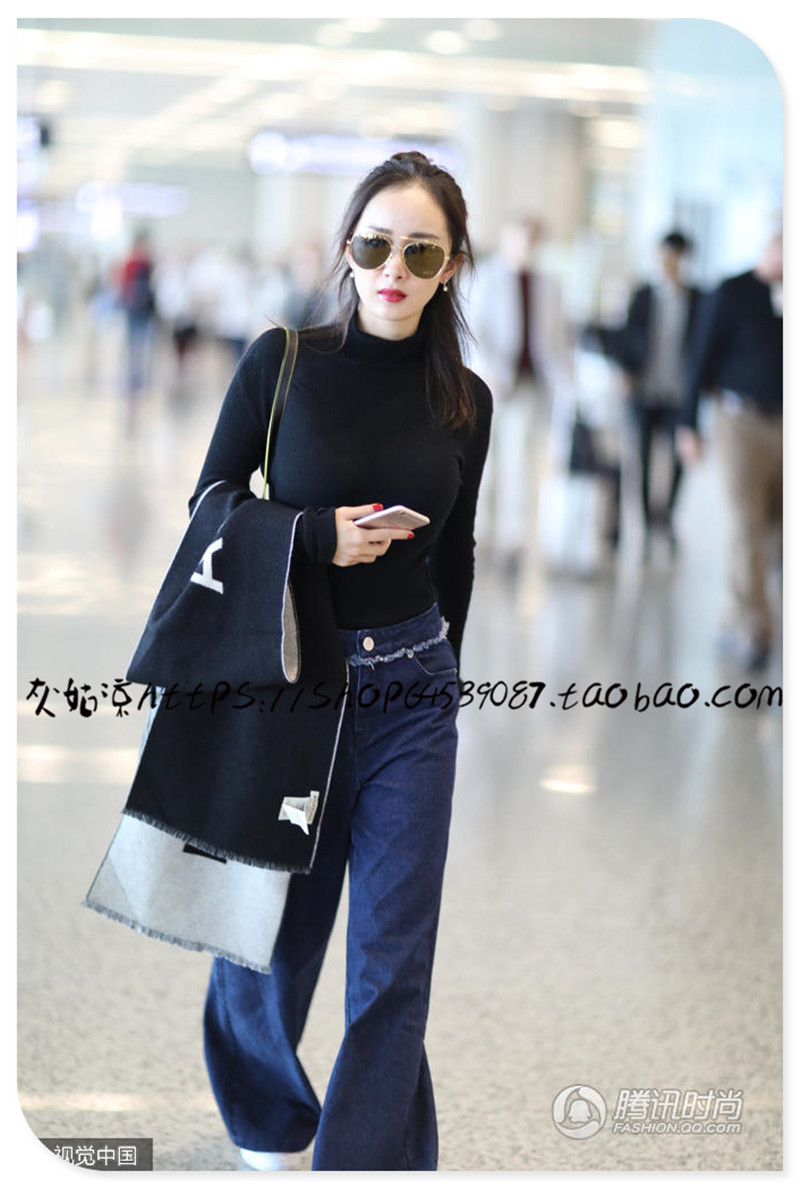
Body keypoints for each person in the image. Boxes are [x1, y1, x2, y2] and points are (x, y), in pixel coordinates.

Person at [193, 151, 492, 1171]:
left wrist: (450, 679)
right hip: (293, 683)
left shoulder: (466, 399)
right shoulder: (282, 362)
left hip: (413, 692)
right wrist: (314, 536)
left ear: (451, 267)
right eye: (374, 245)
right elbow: (209, 504)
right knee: (272, 932)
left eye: (421, 252)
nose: (393, 269)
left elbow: (456, 552)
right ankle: (265, 1111)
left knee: (393, 957)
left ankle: (363, 1157)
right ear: (347, 250)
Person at [677, 229, 782, 671]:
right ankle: (755, 630)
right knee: (745, 524)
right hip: (739, 421)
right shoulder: (733, 292)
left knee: (775, 534)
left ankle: (738, 613)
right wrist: (687, 424)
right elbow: (699, 356)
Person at [468, 214, 565, 574]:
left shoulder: (548, 284)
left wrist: (563, 379)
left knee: (520, 462)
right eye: (522, 237)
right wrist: (488, 369)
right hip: (491, 383)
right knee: (487, 462)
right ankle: (481, 534)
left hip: (530, 383)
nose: (527, 245)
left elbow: (557, 336)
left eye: (533, 239)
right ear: (509, 238)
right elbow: (473, 329)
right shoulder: (486, 277)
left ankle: (512, 539)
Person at [617, 230, 703, 556]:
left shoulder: (696, 299)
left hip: (679, 395)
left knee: (679, 459)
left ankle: (665, 518)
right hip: (645, 390)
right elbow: (626, 336)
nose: (667, 262)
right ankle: (643, 523)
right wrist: (625, 371)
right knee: (642, 457)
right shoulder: (643, 295)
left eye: (673, 256)